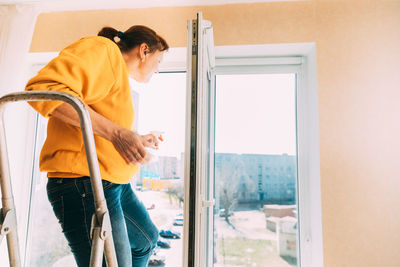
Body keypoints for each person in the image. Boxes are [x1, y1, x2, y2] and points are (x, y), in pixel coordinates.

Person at [25, 25, 169, 267]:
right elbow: (44, 90)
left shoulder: (116, 76)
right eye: (159, 61)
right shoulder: (104, 50)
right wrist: (117, 133)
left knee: (146, 239)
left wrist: (133, 138)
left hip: (114, 184)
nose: (158, 69)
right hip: (84, 183)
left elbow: (96, 126)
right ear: (144, 50)